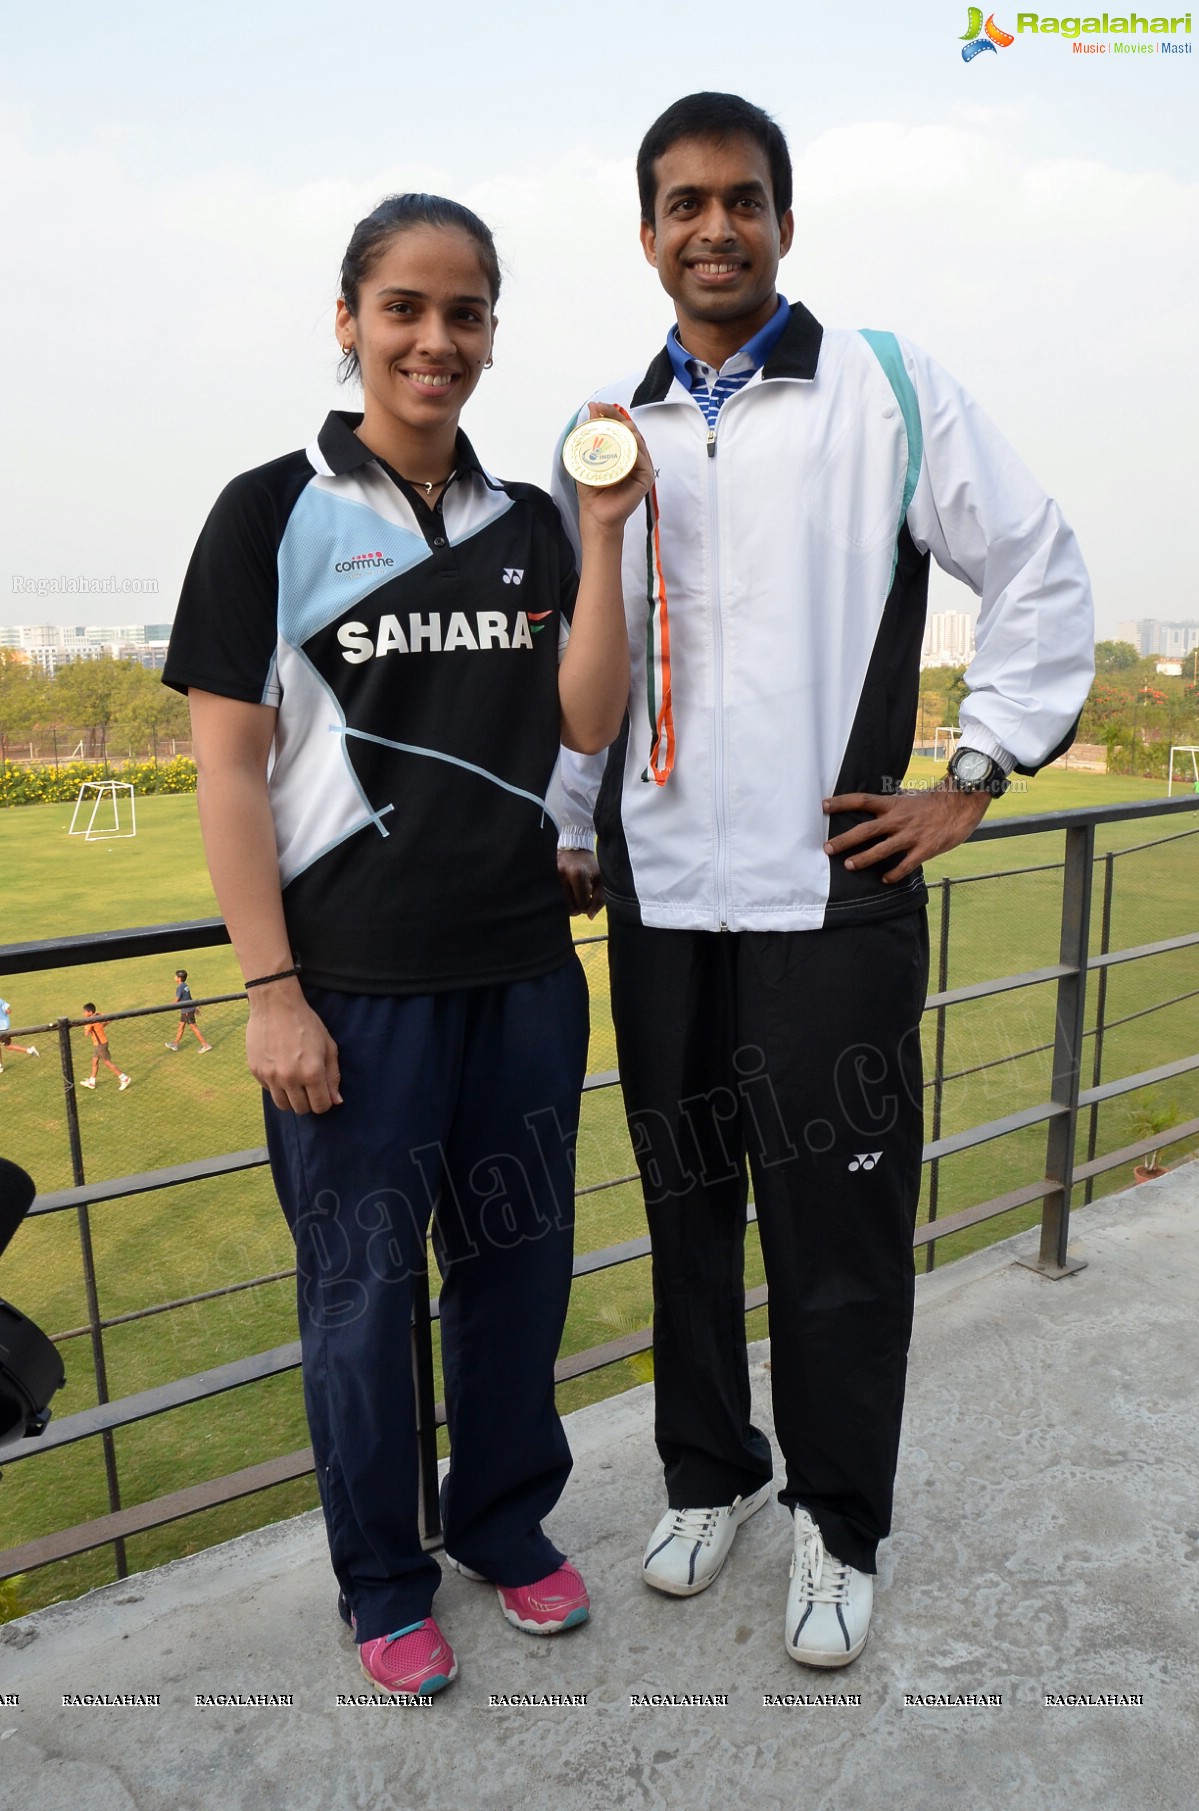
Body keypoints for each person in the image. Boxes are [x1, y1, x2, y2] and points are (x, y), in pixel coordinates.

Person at [552, 93, 1094, 1669]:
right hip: (661, 904)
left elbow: (1038, 562)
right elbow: (592, 648)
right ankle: (707, 1472)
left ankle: (839, 1522)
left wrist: (970, 776)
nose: (710, 227)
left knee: (838, 1234)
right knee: (684, 1209)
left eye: (739, 199)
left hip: (829, 895)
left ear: (785, 220)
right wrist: (570, 820)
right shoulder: (614, 426)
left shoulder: (884, 385)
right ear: (645, 234)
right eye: (680, 203)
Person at [164, 193, 650, 1699]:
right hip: (350, 1004)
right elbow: (228, 771)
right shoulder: (268, 512)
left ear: (491, 332)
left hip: (516, 975)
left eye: (466, 313)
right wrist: (269, 992)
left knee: (514, 1271)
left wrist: (604, 533)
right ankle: (380, 1578)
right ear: (349, 320)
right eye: (405, 309)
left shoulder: (525, 523)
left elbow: (583, 717)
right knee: (361, 1301)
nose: (434, 340)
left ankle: (502, 1525)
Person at [80, 1005, 131, 1091]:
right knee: (94, 1061)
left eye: (85, 1012)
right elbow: (108, 1019)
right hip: (100, 1043)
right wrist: (101, 1027)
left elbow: (86, 1034)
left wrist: (86, 1025)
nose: (83, 1013)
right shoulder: (99, 1014)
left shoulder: (90, 1021)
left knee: (107, 1062)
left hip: (100, 1045)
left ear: (90, 1012)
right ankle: (92, 1082)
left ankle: (124, 1078)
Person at [165, 969, 212, 1052]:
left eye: (175, 976)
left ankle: (205, 1045)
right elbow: (189, 998)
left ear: (179, 978)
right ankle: (175, 1044)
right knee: (181, 1026)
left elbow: (177, 1000)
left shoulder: (180, 987)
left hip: (187, 1011)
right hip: (186, 1010)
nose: (174, 977)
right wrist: (195, 1007)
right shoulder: (185, 986)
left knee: (194, 1027)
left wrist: (167, 1007)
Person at [0, 997, 39, 1072]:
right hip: (4, 1027)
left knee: (8, 1046)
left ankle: (30, 1050)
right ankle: (0, 1066)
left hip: (2, 1029)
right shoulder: (0, 1000)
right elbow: (9, 1011)